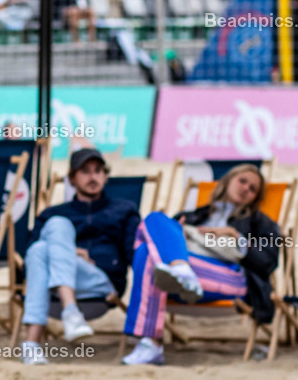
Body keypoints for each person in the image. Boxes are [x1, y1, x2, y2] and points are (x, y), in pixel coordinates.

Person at [121, 164, 280, 365]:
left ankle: (149, 342)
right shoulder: (194, 215)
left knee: (148, 254)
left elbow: (268, 262)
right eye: (243, 181)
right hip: (191, 268)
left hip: (232, 276)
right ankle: (181, 268)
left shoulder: (260, 223)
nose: (246, 189)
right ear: (227, 180)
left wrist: (237, 237)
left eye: (253, 189)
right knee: (155, 220)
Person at [21, 149, 141, 365]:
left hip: (101, 285)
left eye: (98, 171)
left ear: (106, 176)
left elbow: (133, 255)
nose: (93, 177)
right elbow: (29, 259)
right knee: (43, 244)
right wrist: (70, 250)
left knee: (51, 236)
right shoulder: (52, 213)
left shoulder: (124, 210)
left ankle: (34, 342)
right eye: (85, 172)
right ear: (72, 179)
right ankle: (68, 314)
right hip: (54, 289)